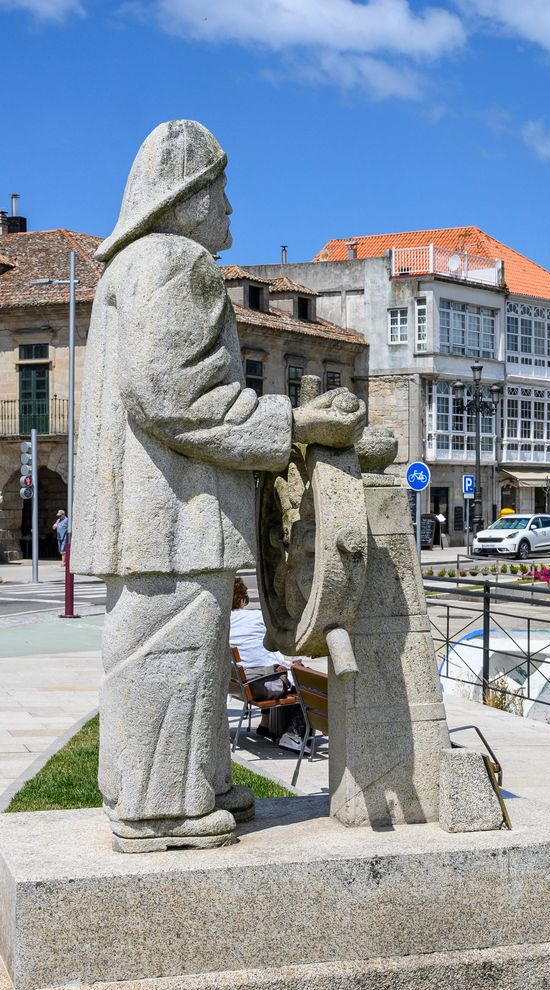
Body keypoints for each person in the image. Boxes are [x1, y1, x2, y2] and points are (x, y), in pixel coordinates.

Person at [72, 120, 362, 851]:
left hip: (150, 507)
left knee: (181, 649)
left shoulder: (124, 269)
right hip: (170, 508)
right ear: (188, 195)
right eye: (222, 190)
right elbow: (177, 397)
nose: (231, 208)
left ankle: (193, 782)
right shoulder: (175, 262)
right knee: (170, 653)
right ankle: (158, 806)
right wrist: (295, 424)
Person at [228, 577, 307, 749]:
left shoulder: (223, 623)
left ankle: (265, 723)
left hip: (240, 685)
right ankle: (293, 734)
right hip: (260, 685)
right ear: (242, 599)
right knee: (305, 682)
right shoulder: (257, 617)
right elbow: (282, 640)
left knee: (271, 667)